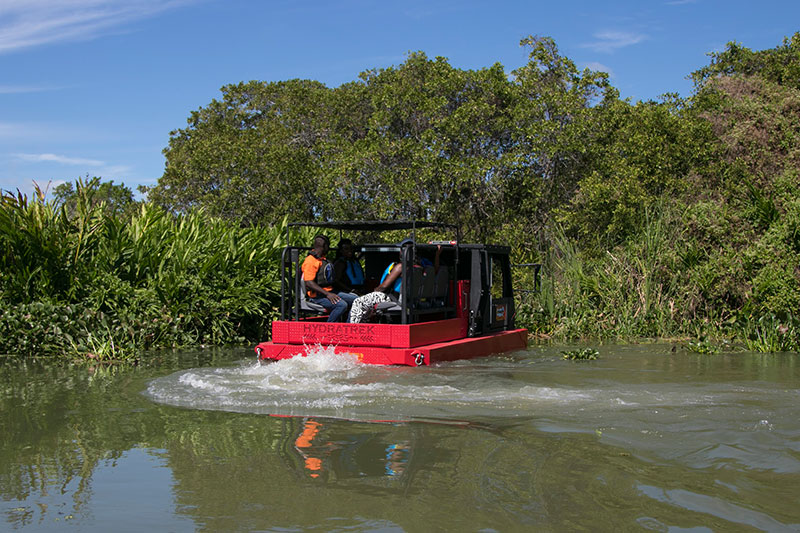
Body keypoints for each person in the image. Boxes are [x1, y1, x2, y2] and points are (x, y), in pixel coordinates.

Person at [349, 240, 440, 323]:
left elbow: (384, 287)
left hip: (393, 298)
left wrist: (374, 291)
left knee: (358, 301)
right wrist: (437, 255)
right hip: (409, 300)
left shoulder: (400, 266)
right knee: (367, 303)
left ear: (402, 252)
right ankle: (364, 326)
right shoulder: (419, 267)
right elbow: (435, 271)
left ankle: (353, 329)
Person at [302, 234, 357, 322]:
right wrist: (328, 294)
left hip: (329, 291)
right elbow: (309, 282)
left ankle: (348, 326)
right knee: (341, 305)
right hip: (317, 296)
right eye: (328, 246)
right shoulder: (311, 261)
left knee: (357, 300)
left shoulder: (322, 259)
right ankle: (329, 328)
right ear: (324, 246)